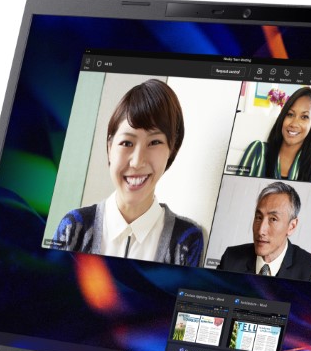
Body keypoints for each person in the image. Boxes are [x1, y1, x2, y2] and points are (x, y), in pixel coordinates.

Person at [51, 79, 204, 266]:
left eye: (154, 142)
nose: (137, 162)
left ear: (172, 149)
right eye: (127, 143)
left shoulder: (187, 240)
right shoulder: (74, 228)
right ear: (110, 147)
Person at [227, 86, 311, 183]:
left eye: (304, 117)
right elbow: (235, 187)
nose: (294, 124)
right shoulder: (258, 150)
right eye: (290, 114)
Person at [218, 182, 311, 280]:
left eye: (273, 219)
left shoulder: (309, 268)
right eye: (259, 217)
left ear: (291, 227)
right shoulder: (230, 259)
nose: (260, 231)